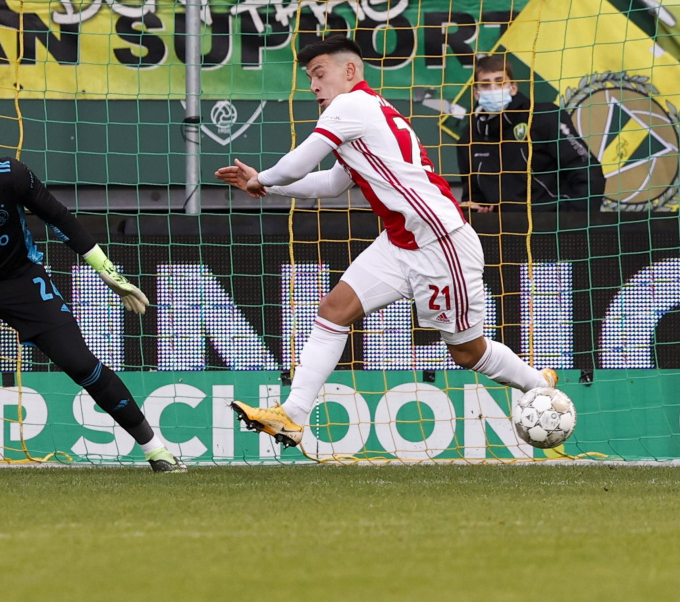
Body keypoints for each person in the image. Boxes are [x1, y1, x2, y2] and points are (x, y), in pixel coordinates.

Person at [215, 36, 558, 448]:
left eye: (319, 74)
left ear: (349, 71)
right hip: (401, 241)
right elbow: (329, 182)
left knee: (466, 353)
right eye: (309, 78)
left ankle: (538, 383)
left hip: (439, 241)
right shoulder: (364, 111)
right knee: (334, 309)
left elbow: (298, 163)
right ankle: (292, 414)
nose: (313, 86)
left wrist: (262, 179)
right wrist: (267, 187)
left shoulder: (351, 106)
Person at [0, 157, 185, 472]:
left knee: (80, 363)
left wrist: (107, 271)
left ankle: (156, 450)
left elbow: (59, 218)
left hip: (20, 281)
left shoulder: (10, 174)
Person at [457, 54, 605, 212]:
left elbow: (588, 171)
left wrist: (573, 222)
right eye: (485, 85)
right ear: (476, 94)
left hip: (553, 227)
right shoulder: (469, 138)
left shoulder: (544, 117)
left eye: (500, 82)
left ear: (513, 88)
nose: (493, 89)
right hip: (503, 231)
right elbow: (473, 197)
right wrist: (475, 210)